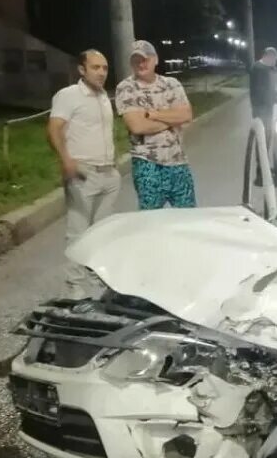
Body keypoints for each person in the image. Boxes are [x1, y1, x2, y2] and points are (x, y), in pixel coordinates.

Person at [47, 49, 119, 298]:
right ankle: (75, 287)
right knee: (78, 232)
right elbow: (54, 128)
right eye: (95, 67)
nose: (101, 73)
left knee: (102, 233)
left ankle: (98, 282)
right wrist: (66, 159)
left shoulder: (102, 97)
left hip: (109, 173)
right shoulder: (68, 96)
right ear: (82, 69)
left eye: (105, 68)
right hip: (83, 173)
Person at [114, 40, 196, 209]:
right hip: (147, 164)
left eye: (145, 59)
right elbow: (137, 126)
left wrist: (155, 115)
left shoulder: (172, 84)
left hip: (178, 161)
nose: (141, 64)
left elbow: (186, 114)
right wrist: (172, 120)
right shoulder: (126, 88)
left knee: (188, 216)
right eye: (136, 60)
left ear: (156, 59)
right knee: (150, 219)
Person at [249, 46, 277, 152]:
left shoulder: (266, 69)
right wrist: (275, 99)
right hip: (261, 110)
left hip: (266, 109)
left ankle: (263, 164)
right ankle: (261, 166)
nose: (275, 62)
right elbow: (262, 91)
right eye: (275, 59)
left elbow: (270, 89)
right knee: (263, 138)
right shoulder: (259, 69)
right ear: (269, 57)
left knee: (266, 137)